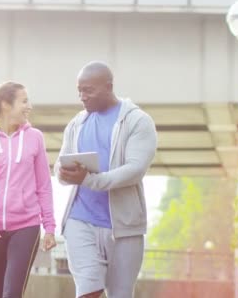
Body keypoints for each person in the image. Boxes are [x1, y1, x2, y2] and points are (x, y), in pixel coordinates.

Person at [54, 61, 157, 298]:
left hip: (123, 226)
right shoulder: (76, 123)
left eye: (88, 90)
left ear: (108, 87)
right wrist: (62, 172)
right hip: (80, 219)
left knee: (120, 294)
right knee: (88, 289)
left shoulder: (137, 121)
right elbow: (61, 163)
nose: (82, 96)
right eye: (79, 90)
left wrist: (89, 180)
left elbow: (135, 169)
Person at [0, 81, 57, 298]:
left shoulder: (35, 137)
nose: (29, 106)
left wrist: (49, 227)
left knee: (12, 293)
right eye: (24, 101)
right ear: (6, 105)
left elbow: (44, 185)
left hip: (26, 225)